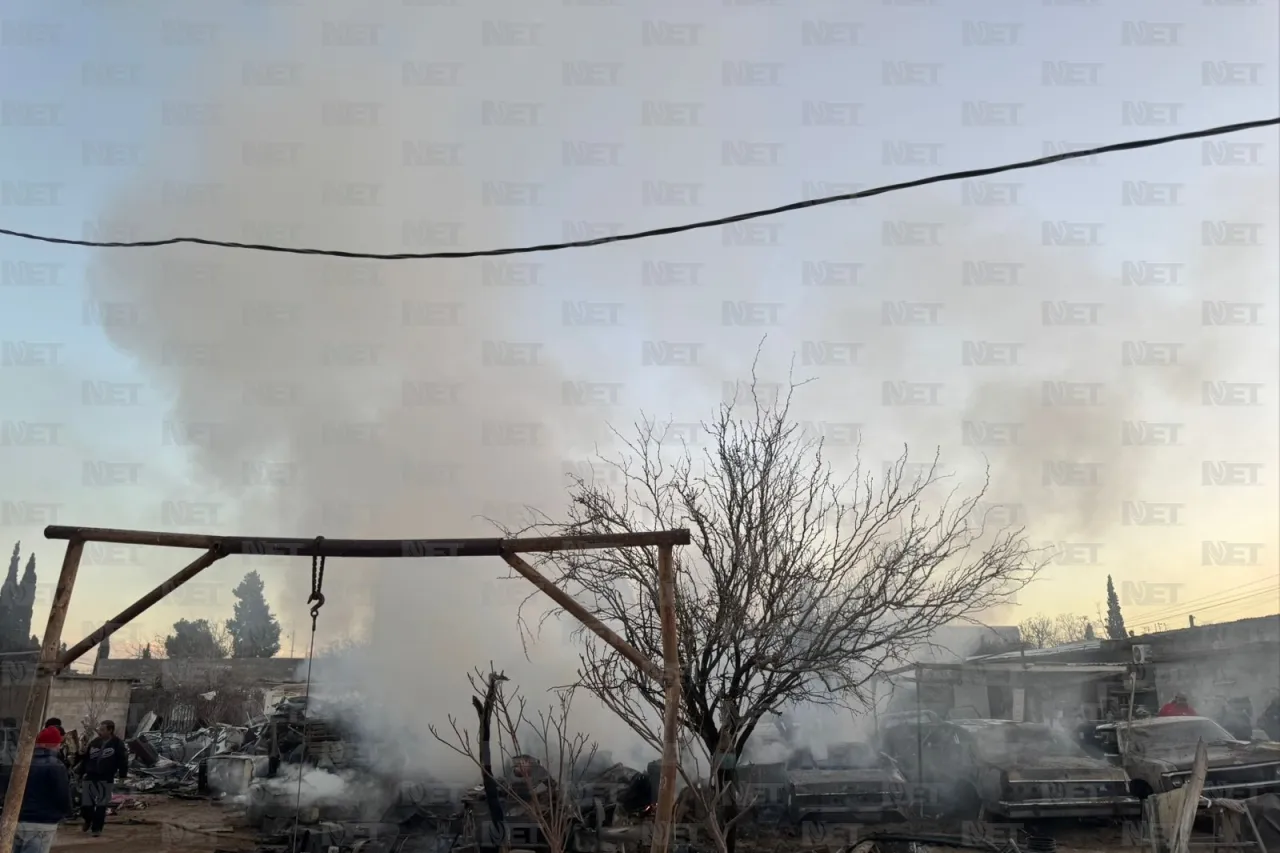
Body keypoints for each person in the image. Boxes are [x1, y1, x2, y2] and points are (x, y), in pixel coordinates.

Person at [13, 726, 73, 853]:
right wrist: (66, 812)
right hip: (42, 823)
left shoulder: (21, 763)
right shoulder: (56, 765)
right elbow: (62, 794)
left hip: (17, 820)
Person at [75, 720, 128, 837]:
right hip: (91, 775)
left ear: (110, 730)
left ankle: (97, 828)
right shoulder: (95, 742)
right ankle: (88, 819)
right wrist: (80, 771)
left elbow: (122, 760)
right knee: (86, 803)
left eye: (103, 730)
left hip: (106, 776)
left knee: (101, 804)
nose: (100, 732)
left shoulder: (117, 744)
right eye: (100, 729)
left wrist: (122, 775)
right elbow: (86, 758)